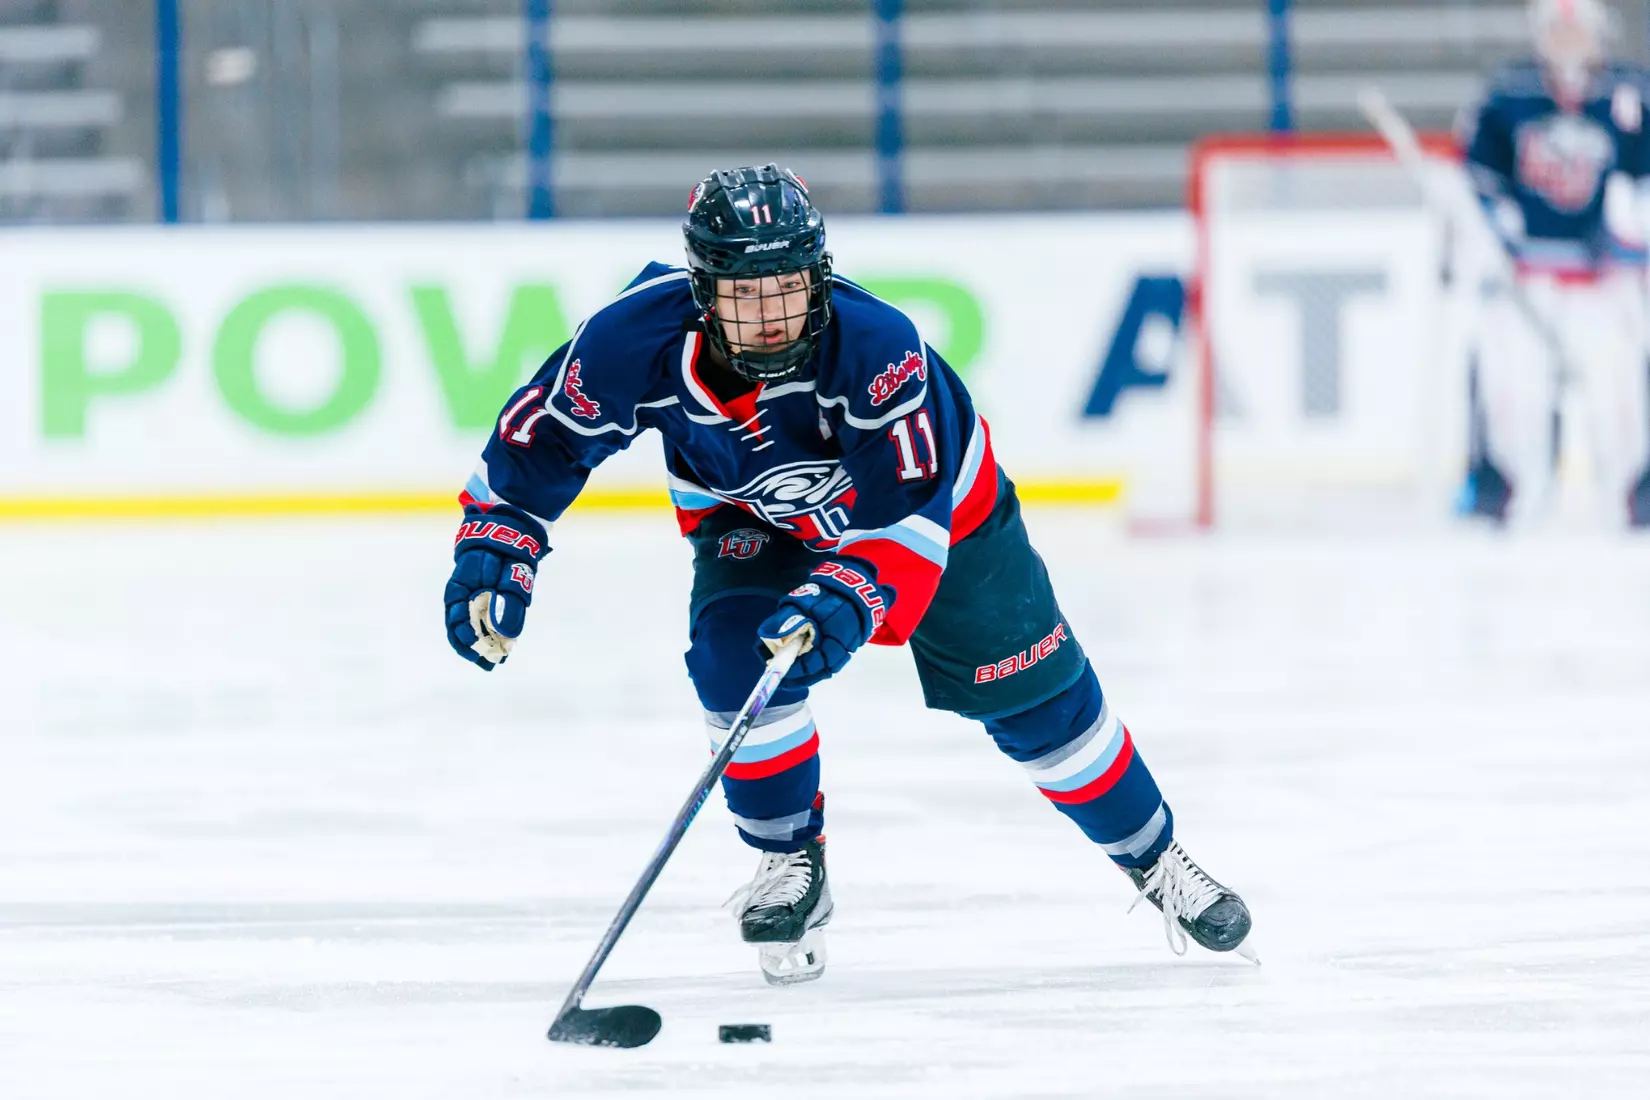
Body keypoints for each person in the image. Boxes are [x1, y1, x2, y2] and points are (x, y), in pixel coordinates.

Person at [442, 164, 1252, 985]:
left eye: (788, 287)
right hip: (749, 514)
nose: (772, 315)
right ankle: (790, 861)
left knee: (1038, 701)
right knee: (732, 660)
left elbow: (904, 513)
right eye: (745, 293)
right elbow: (536, 447)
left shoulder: (876, 346)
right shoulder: (626, 343)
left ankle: (1155, 857)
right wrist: (497, 549)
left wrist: (846, 598)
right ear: (702, 289)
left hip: (943, 516)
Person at [1458, 0, 1650, 526]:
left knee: (1620, 395)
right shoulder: (1508, 95)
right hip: (1530, 281)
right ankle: (1501, 493)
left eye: (1577, 31)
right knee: (1512, 389)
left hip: (1606, 283)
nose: (1568, 43)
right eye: (1557, 32)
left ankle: (1635, 495)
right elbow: (1479, 176)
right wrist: (1497, 230)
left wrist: (1632, 225)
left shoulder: (1633, 93)